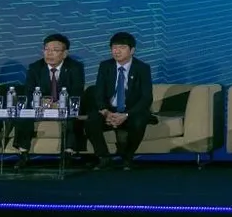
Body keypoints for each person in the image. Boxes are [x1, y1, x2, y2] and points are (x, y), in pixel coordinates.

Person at [13, 33, 86, 169]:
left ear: (65, 54)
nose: (49, 53)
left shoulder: (75, 67)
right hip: (41, 108)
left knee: (73, 114)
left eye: (55, 50)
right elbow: (29, 92)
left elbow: (77, 92)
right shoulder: (35, 67)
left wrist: (60, 104)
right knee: (25, 114)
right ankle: (23, 153)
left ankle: (68, 153)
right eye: (46, 49)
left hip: (64, 107)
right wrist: (41, 103)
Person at [86, 32, 153, 171]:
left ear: (132, 50)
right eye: (114, 47)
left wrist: (126, 115)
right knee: (92, 120)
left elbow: (146, 98)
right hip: (110, 110)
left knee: (139, 121)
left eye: (122, 47)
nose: (117, 51)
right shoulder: (105, 66)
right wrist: (105, 112)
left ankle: (128, 158)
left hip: (131, 111)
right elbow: (99, 93)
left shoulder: (142, 68)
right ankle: (104, 157)